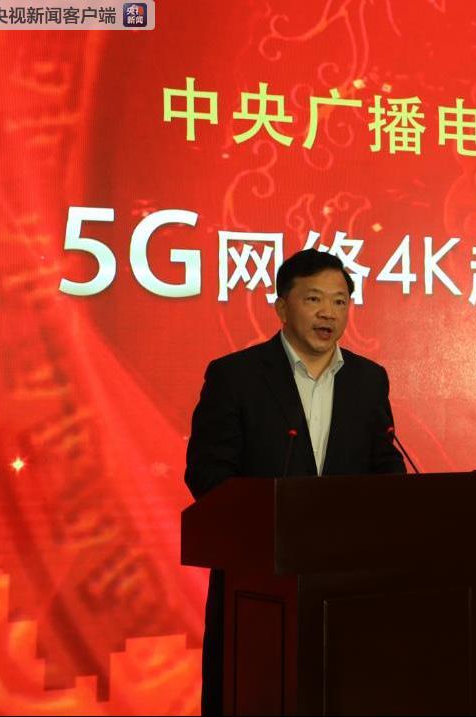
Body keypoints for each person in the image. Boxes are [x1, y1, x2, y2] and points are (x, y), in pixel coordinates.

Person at [184, 249, 405, 715]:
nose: (329, 312)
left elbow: (385, 466)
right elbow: (207, 473)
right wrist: (272, 523)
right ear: (282, 307)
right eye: (314, 299)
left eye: (340, 301)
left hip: (347, 584)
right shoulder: (235, 376)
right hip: (259, 585)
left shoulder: (369, 380)